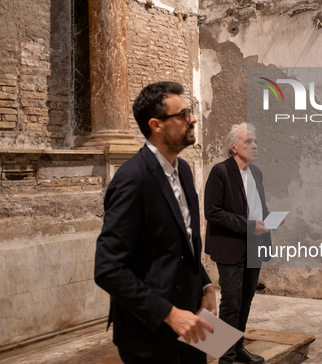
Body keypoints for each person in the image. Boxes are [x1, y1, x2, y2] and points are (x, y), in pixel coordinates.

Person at [94, 81, 217, 364]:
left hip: (189, 326)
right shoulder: (132, 179)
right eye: (184, 114)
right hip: (150, 336)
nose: (193, 119)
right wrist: (169, 313)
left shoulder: (183, 170)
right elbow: (108, 269)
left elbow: (182, 244)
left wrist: (206, 286)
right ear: (156, 125)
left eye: (191, 112)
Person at [204, 123, 272, 364]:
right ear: (234, 147)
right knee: (231, 301)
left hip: (254, 246)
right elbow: (213, 212)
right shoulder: (220, 171)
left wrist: (268, 221)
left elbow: (257, 208)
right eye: (248, 142)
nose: (255, 146)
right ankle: (225, 356)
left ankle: (238, 348)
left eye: (255, 141)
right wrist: (249, 225)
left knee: (245, 299)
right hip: (229, 246)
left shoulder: (257, 173)